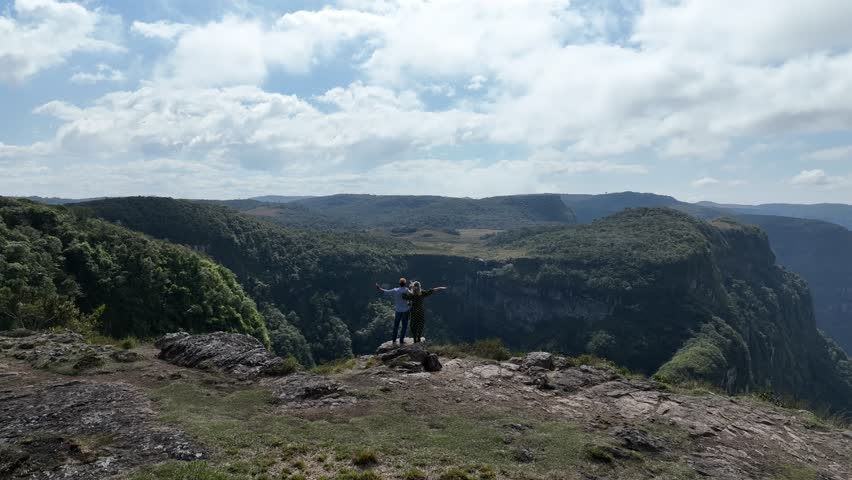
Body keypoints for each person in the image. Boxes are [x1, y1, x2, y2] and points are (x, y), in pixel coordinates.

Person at [375, 277, 412, 344]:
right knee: (404, 325)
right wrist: (412, 286)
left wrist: (379, 288)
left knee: (396, 325)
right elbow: (413, 295)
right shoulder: (406, 290)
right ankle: (401, 340)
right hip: (405, 310)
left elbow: (386, 291)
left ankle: (394, 340)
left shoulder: (395, 290)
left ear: (399, 283)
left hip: (398, 310)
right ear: (405, 284)